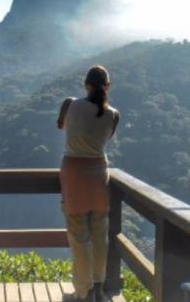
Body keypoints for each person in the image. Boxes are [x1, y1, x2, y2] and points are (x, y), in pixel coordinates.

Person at [57, 65, 120, 302]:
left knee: (79, 237)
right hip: (98, 175)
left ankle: (82, 293)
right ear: (108, 86)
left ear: (86, 84)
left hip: (73, 174)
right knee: (99, 236)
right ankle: (98, 290)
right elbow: (104, 137)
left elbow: (61, 126)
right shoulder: (113, 114)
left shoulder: (70, 104)